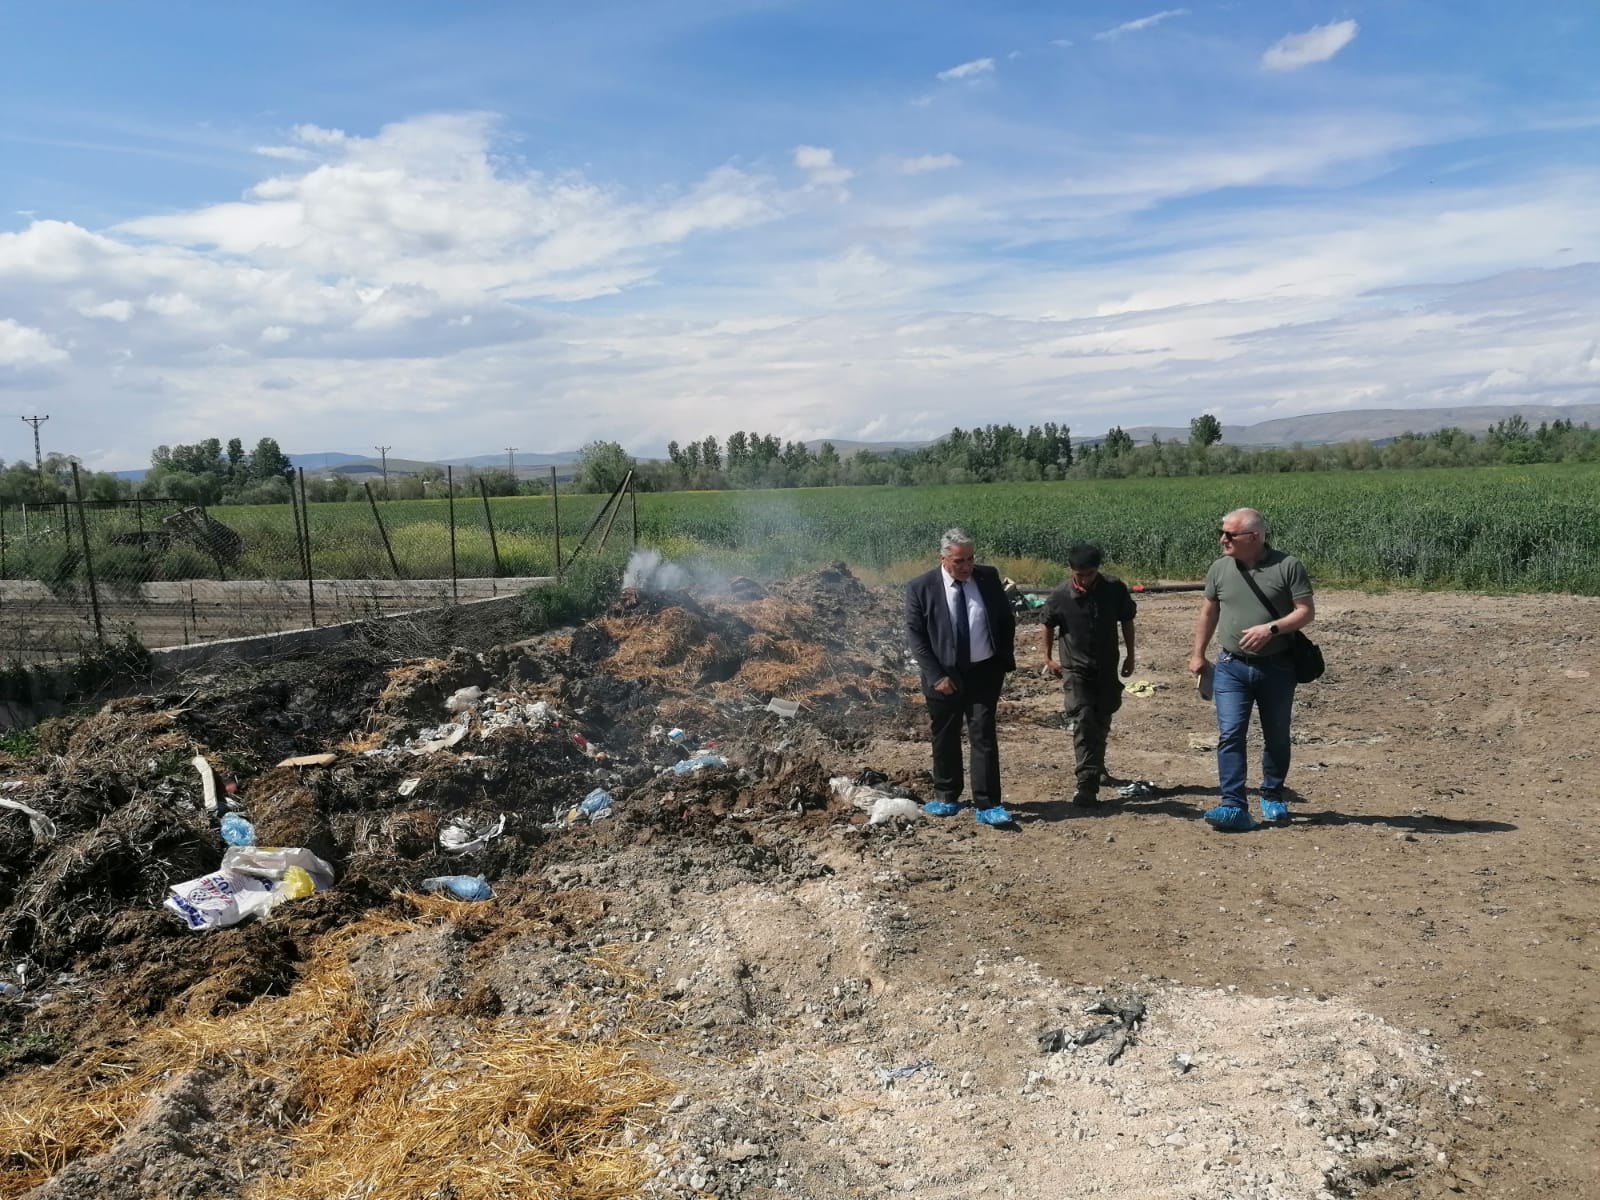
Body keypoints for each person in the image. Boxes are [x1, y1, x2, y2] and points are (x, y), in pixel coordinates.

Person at [1186, 508, 1315, 831]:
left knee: (1276, 736)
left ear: (1254, 537)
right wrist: (1198, 654)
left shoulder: (1287, 567)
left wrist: (1270, 629)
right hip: (1231, 667)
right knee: (1230, 734)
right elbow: (1207, 614)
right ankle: (1233, 805)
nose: (1222, 539)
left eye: (1230, 535)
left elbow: (1305, 612)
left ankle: (1271, 792)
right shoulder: (1219, 569)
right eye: (1222, 532)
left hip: (1278, 668)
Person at [905, 528, 1018, 825]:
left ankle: (988, 803)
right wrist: (936, 675)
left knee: (983, 734)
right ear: (943, 558)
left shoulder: (987, 578)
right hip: (943, 675)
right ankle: (946, 796)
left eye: (970, 559)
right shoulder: (921, 587)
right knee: (945, 734)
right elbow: (916, 637)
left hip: (984, 671)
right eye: (959, 561)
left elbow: (1006, 619)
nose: (966, 566)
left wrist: (1000, 659)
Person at [1041, 544, 1136, 806]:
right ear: (1072, 571)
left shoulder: (1114, 588)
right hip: (1075, 667)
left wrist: (1130, 654)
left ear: (1098, 569)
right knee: (1083, 717)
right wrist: (1048, 658)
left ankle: (1097, 767)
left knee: (1103, 714)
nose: (1084, 579)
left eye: (1090, 573)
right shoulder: (1061, 595)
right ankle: (1087, 784)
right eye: (1079, 574)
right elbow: (1048, 624)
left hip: (1106, 665)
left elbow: (1127, 619)